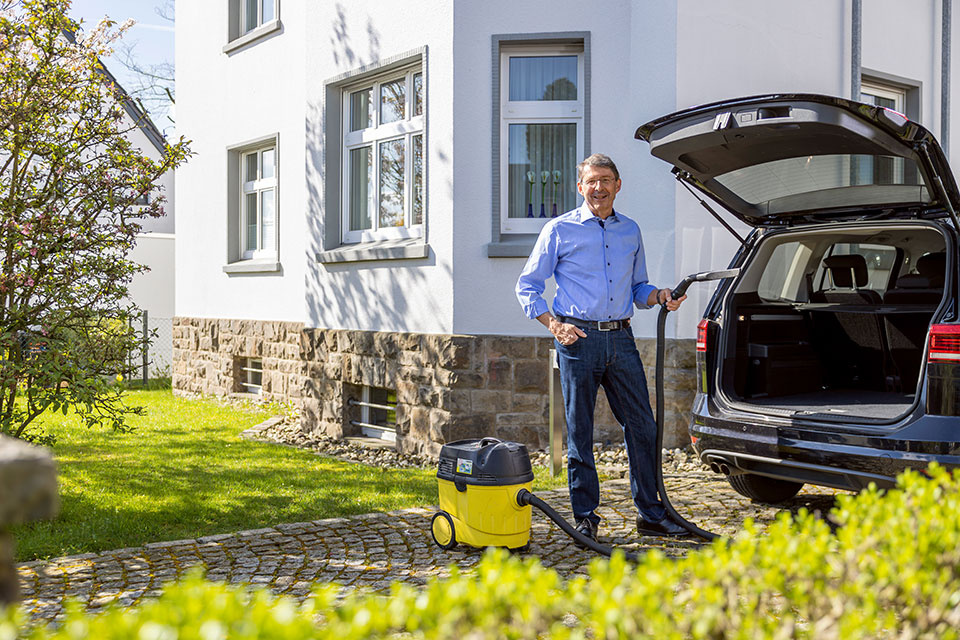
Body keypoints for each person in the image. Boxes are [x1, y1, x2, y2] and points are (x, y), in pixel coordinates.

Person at [515, 152, 689, 544]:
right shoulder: (559, 230)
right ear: (580, 187)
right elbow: (527, 285)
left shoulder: (631, 231)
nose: (598, 187)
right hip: (578, 341)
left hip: (621, 338)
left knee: (643, 426)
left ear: (618, 185)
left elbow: (637, 288)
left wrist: (658, 295)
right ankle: (585, 517)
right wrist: (554, 325)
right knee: (578, 431)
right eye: (591, 181)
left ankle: (650, 513)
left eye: (606, 180)